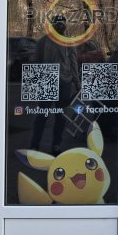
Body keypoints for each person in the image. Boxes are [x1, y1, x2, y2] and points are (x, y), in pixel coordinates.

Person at [30, 14, 80, 155]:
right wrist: (37, 82)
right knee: (42, 115)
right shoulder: (43, 42)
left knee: (61, 116)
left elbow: (73, 62)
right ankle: (34, 146)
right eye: (58, 24)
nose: (61, 26)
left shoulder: (69, 42)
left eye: (63, 24)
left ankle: (56, 145)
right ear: (52, 26)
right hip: (47, 81)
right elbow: (37, 62)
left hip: (64, 82)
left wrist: (76, 81)